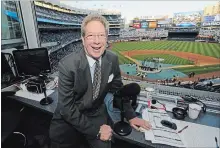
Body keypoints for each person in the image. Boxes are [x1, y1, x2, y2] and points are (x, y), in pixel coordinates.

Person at [49, 14, 151, 148]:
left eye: (101, 35)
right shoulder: (67, 65)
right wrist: (96, 131)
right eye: (91, 35)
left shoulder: (112, 59)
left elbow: (118, 91)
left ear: (107, 38)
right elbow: (67, 109)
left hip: (96, 114)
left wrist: (130, 115)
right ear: (83, 39)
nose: (97, 41)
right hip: (69, 119)